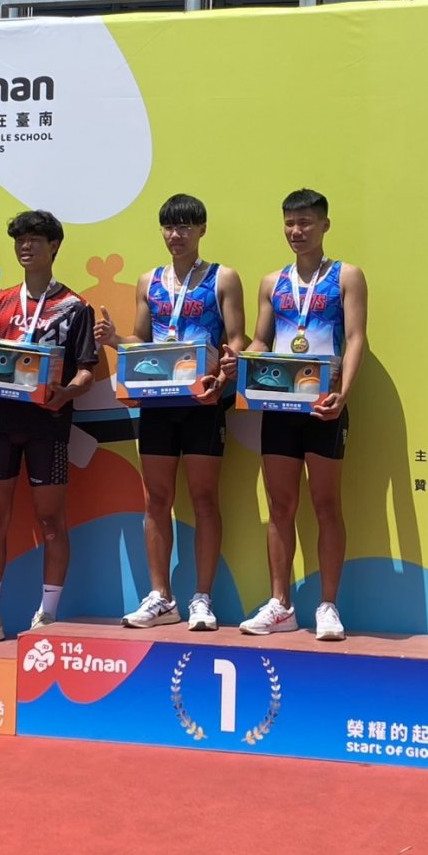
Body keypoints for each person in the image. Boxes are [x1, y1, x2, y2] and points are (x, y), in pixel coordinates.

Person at [93, 194, 247, 632]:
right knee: (156, 500)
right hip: (158, 404)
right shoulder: (149, 281)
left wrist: (228, 367)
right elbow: (141, 342)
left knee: (204, 499)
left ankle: (202, 598)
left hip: (202, 403)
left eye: (185, 227)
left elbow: (237, 337)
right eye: (169, 227)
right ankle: (161, 597)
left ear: (202, 230)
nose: (176, 235)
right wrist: (115, 339)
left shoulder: (223, 278)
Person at [224, 188, 367, 642]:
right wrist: (241, 359)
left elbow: (357, 338)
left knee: (327, 505)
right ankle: (280, 604)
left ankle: (328, 606)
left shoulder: (347, 276)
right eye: (289, 222)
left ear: (325, 225)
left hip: (325, 406)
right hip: (279, 408)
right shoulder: (272, 282)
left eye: (305, 222)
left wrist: (343, 394)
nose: (296, 231)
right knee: (281, 506)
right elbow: (261, 341)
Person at [0, 210, 97, 647]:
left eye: (35, 239)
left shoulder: (75, 307)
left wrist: (67, 394)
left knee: (52, 520)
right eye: (20, 240)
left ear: (54, 246)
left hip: (47, 424)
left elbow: (87, 371)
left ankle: (47, 617)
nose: (26, 246)